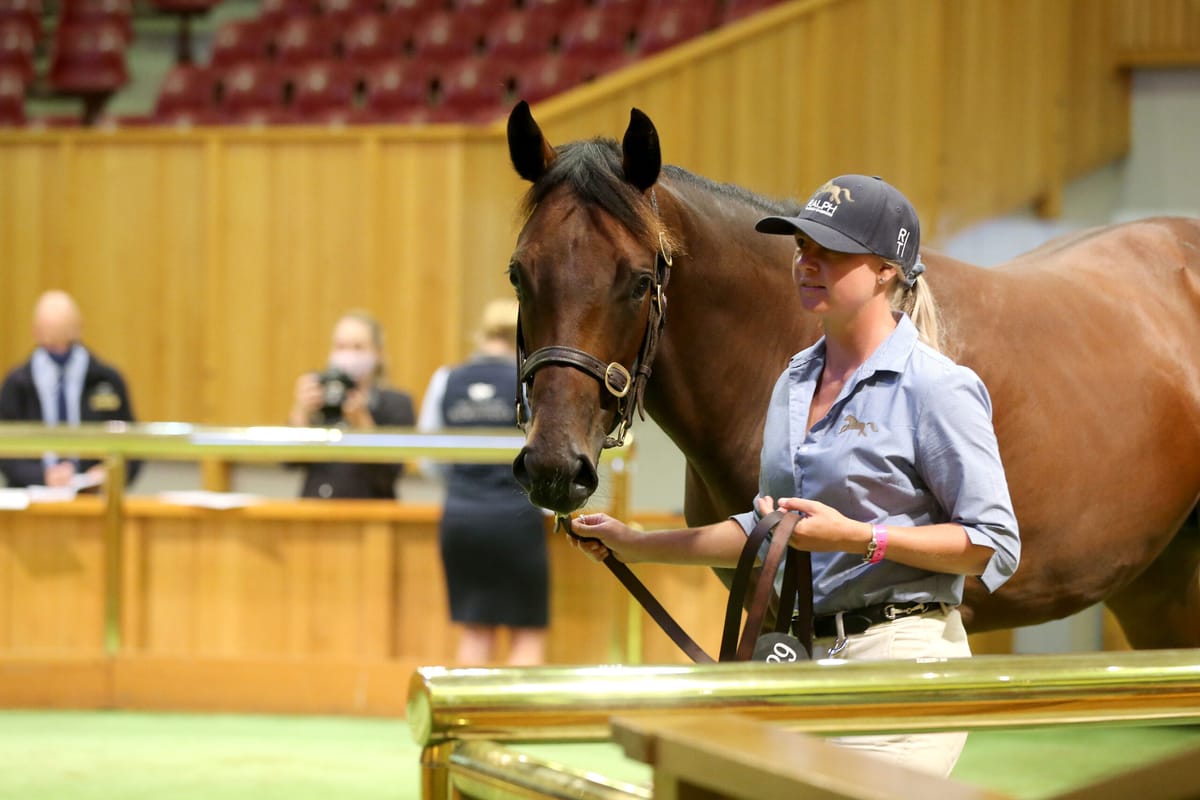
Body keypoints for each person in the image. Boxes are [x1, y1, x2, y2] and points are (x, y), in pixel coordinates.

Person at [569, 175, 1020, 777]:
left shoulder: (937, 387)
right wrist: (637, 545)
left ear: (887, 270)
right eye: (801, 246)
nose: (805, 261)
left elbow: (993, 543)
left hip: (901, 659)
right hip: (804, 660)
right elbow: (773, 527)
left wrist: (860, 538)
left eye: (828, 250)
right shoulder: (794, 381)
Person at [418, 299, 549, 666]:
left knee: (476, 630)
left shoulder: (447, 379)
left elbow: (429, 456)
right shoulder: (529, 380)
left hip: (460, 515)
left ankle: (467, 720)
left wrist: (464, 483)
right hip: (516, 516)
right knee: (526, 631)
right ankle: (520, 722)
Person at [0, 290, 141, 489]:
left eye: (66, 342)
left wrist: (110, 472)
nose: (60, 351)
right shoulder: (17, 384)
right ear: (36, 332)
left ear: (79, 328)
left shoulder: (107, 381)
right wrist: (42, 476)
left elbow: (134, 445)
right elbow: (6, 451)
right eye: (51, 343)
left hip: (92, 496)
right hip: (34, 496)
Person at [288, 310, 414, 499]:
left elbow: (390, 473)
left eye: (358, 347)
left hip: (370, 513)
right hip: (315, 509)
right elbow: (289, 462)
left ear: (377, 353)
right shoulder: (321, 399)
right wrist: (301, 411)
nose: (348, 354)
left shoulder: (396, 404)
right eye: (341, 346)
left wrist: (363, 423)